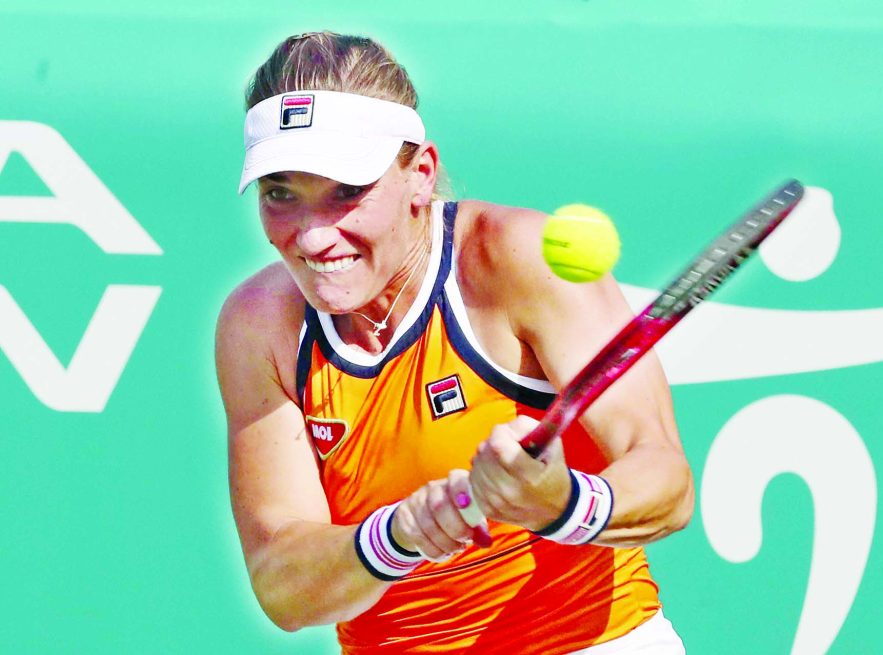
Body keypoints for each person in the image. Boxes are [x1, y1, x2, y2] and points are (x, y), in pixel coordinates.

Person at [216, 31, 694, 654]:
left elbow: (665, 479)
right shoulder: (259, 325)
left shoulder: (516, 260)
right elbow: (282, 585)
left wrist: (563, 504)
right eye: (282, 194)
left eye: (346, 191)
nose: (312, 238)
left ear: (420, 174)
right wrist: (396, 536)